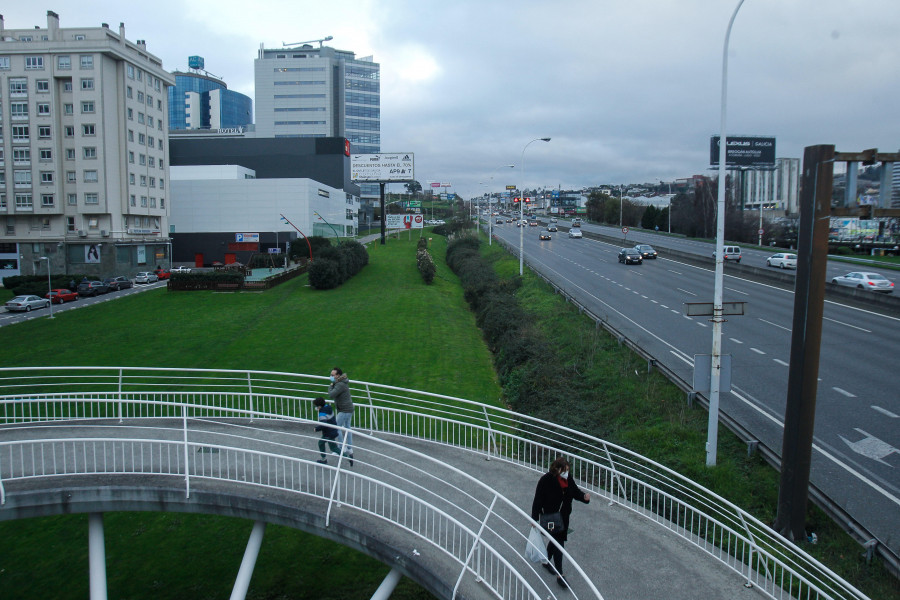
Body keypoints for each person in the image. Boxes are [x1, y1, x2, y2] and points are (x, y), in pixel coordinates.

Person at [531, 456, 590, 589]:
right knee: (559, 542)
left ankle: (546, 562)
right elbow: (538, 499)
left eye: (567, 470)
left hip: (563, 517)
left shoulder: (567, 479)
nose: (566, 473)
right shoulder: (546, 480)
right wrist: (533, 518)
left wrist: (584, 498)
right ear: (556, 469)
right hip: (551, 517)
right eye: (564, 470)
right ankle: (560, 574)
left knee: (556, 540)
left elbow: (575, 491)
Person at [328, 367, 354, 465]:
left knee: (336, 428)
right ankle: (349, 448)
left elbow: (331, 394)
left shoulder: (339, 385)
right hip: (348, 408)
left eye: (332, 375)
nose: (331, 376)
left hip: (344, 410)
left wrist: (331, 385)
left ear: (338, 376)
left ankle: (340, 448)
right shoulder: (342, 383)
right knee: (348, 428)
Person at [312, 397, 340, 464]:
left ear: (319, 406)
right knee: (322, 443)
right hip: (333, 430)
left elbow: (323, 424)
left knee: (333, 448)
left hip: (328, 433)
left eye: (316, 406)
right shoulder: (329, 407)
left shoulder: (322, 413)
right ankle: (323, 459)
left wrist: (316, 429)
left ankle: (347, 457)